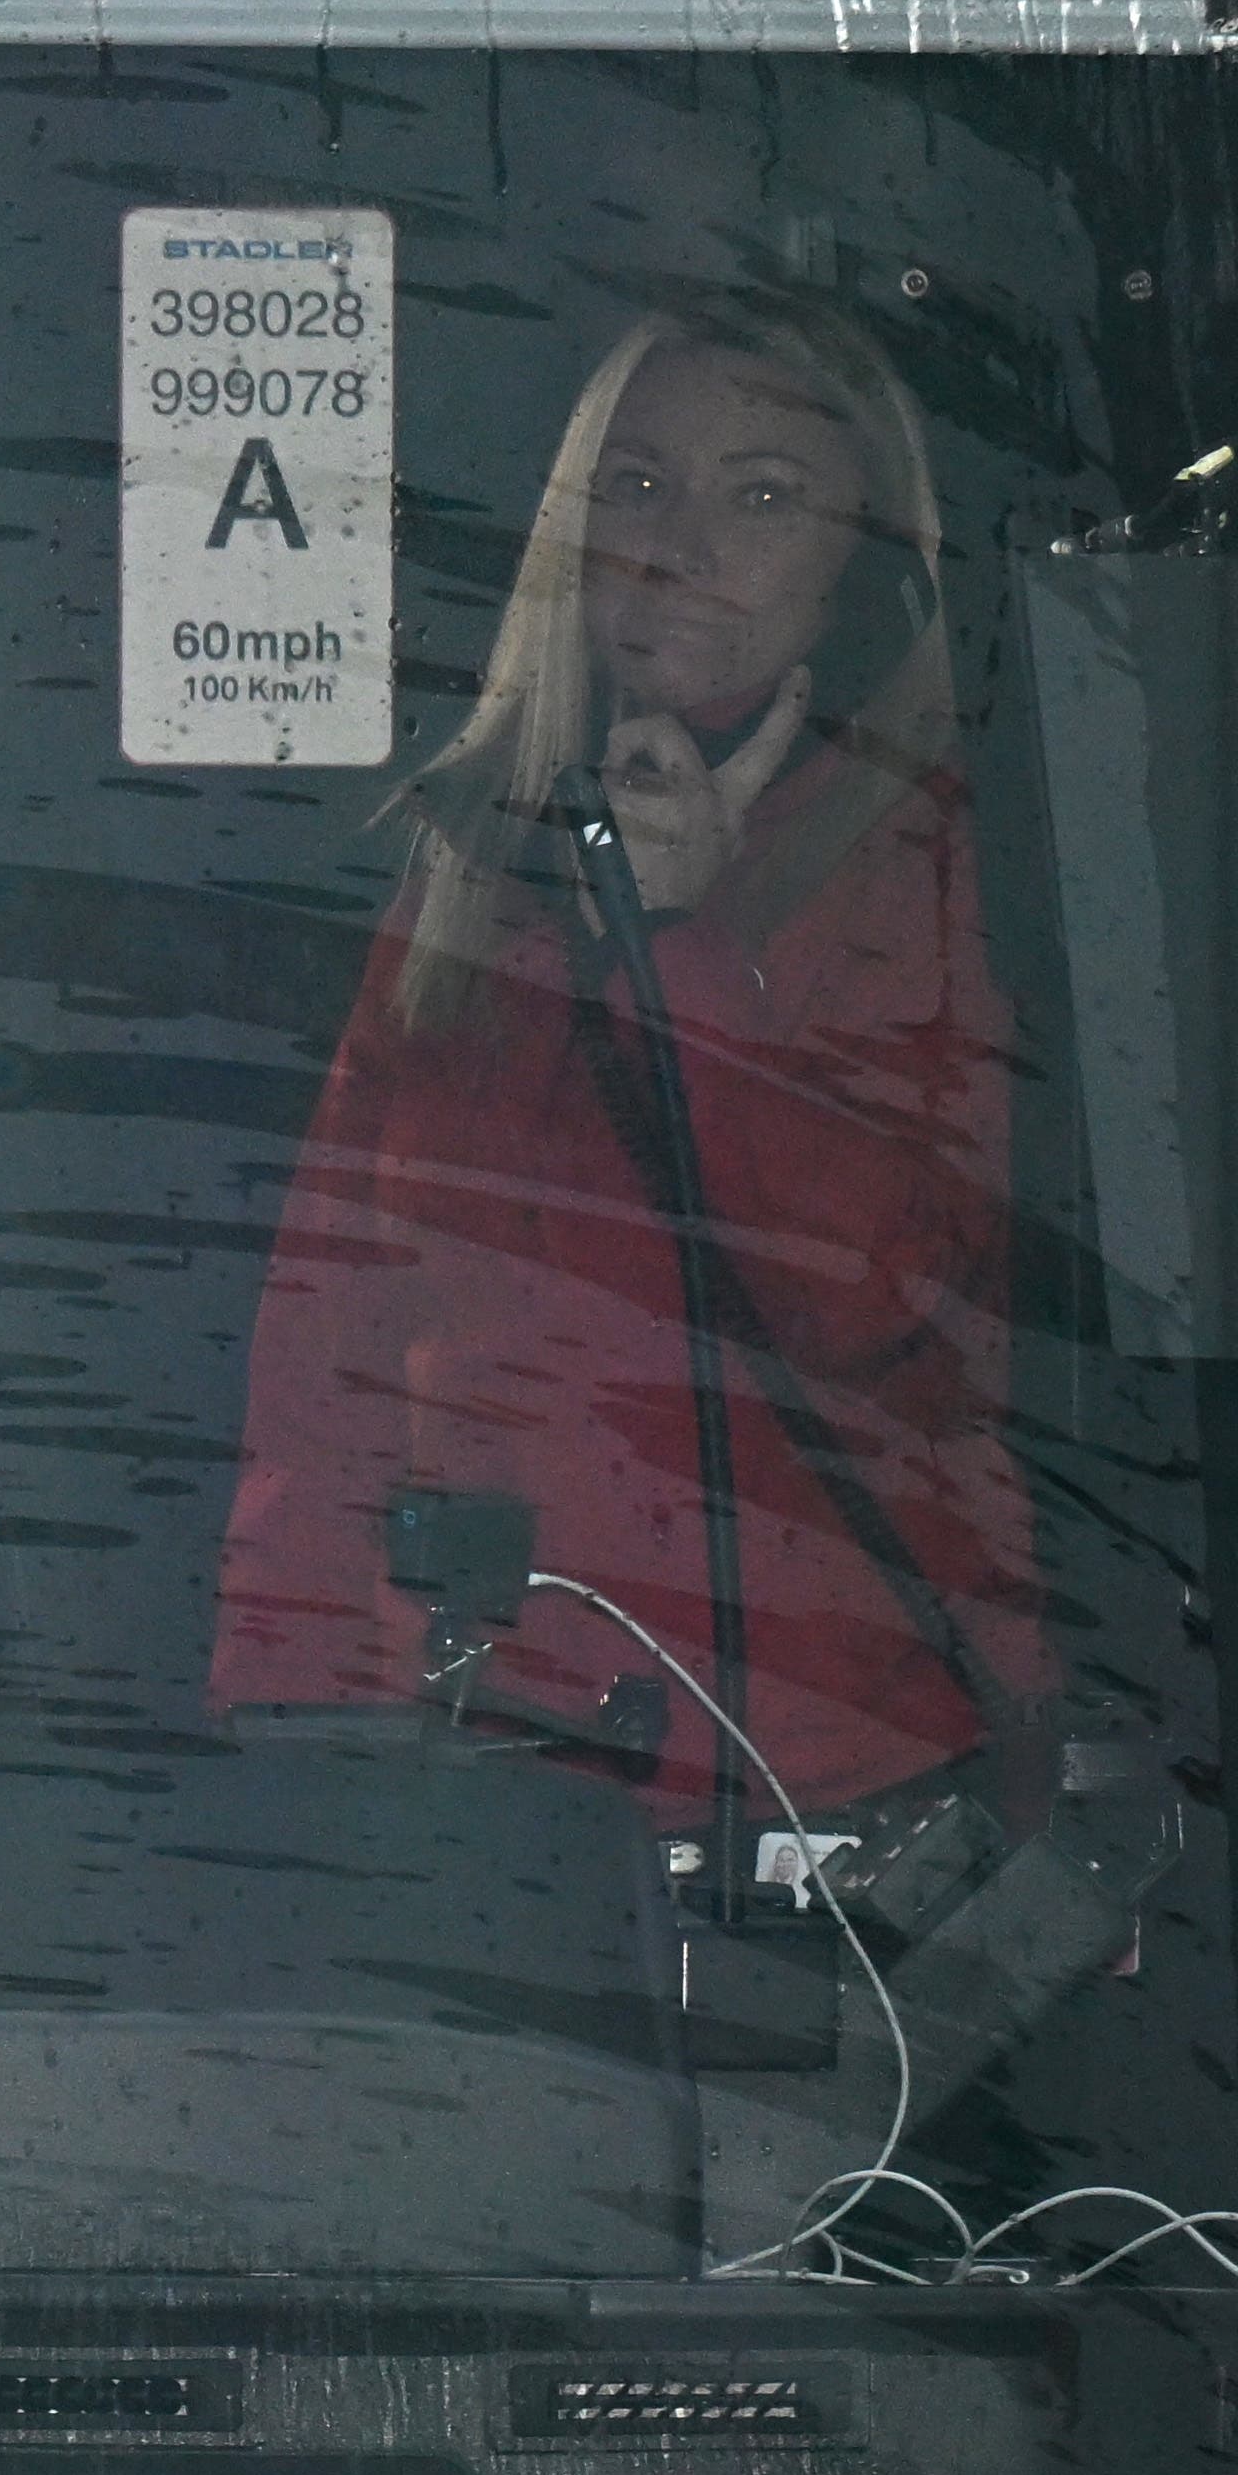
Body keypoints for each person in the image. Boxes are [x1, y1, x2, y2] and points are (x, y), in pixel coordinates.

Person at [207, 290, 1034, 1812]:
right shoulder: (470, 859)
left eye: (763, 498)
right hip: (480, 1753)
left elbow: (882, 1295)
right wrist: (293, 1714)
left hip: (810, 1771)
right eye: (635, 487)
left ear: (861, 577)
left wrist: (678, 942)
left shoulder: (929, 864)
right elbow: (326, 1341)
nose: (676, 547)